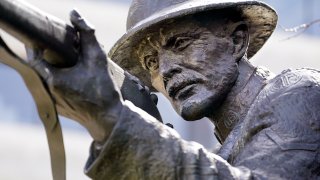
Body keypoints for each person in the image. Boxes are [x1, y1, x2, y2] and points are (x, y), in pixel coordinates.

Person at [29, 0, 320, 179]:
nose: (165, 71)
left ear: (236, 41)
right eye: (151, 62)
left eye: (180, 44)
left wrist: (113, 119)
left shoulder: (297, 92)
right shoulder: (219, 157)